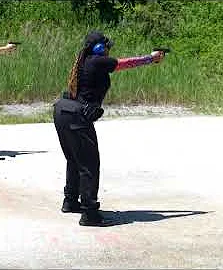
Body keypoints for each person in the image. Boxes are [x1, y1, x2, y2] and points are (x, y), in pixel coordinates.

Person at [53, 31, 165, 226]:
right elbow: (124, 63)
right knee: (89, 164)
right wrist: (151, 58)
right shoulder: (96, 61)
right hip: (76, 116)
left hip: (63, 111)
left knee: (74, 159)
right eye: (106, 47)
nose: (108, 50)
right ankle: (90, 213)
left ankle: (70, 201)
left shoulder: (83, 60)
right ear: (98, 48)